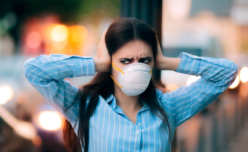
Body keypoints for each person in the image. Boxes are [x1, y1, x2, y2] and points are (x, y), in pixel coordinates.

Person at [23, 18, 238, 152]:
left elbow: (226, 72)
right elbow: (34, 71)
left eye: (144, 60)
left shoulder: (169, 106)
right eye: (125, 61)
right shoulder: (83, 106)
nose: (137, 68)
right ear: (111, 63)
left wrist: (167, 62)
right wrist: (96, 63)